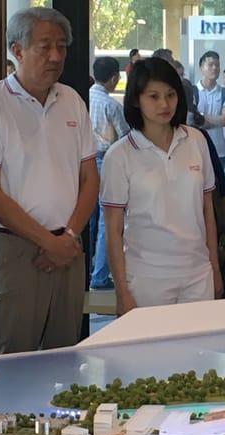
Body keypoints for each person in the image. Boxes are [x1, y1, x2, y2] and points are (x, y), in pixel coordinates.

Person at [0, 7, 96, 355]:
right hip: (16, 248)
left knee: (64, 357)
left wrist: (68, 238)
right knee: (9, 358)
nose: (56, 56)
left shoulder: (72, 100)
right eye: (45, 46)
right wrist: (47, 242)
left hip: (68, 247)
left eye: (62, 46)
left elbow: (90, 179)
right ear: (17, 50)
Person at [100, 58, 221, 314]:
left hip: (198, 274)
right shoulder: (119, 155)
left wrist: (214, 268)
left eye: (170, 95)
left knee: (198, 341)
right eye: (153, 96)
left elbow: (207, 210)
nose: (164, 104)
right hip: (146, 278)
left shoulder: (196, 140)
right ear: (136, 100)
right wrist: (122, 291)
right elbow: (112, 230)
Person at [88, 56, 130, 291]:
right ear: (114, 78)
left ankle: (88, 269)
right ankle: (100, 275)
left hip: (84, 162)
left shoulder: (82, 99)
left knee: (89, 219)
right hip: (106, 161)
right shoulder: (111, 105)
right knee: (107, 220)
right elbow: (125, 137)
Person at [194, 51, 225, 165]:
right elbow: (192, 121)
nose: (215, 68)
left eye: (217, 65)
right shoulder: (193, 91)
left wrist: (201, 117)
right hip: (196, 149)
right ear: (201, 68)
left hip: (218, 150)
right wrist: (218, 120)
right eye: (210, 65)